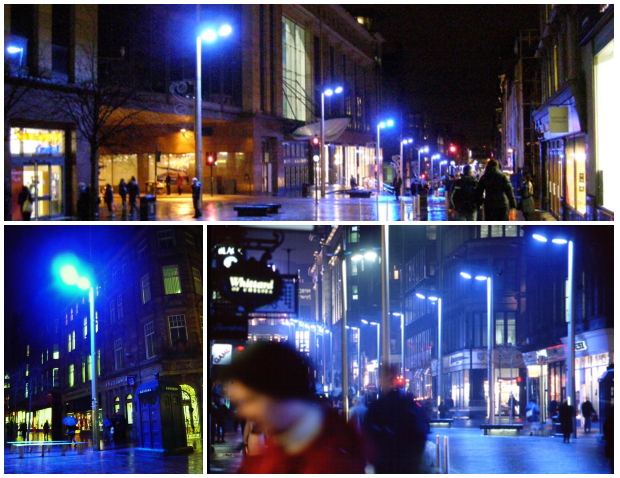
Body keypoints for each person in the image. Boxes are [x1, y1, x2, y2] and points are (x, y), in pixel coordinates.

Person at [225, 341, 366, 474]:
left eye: (250, 400)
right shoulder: (284, 446)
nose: (243, 412)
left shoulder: (333, 462)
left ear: (278, 393)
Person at [364, 389, 429, 473]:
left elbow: (369, 436)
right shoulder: (410, 408)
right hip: (407, 462)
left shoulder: (377, 408)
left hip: (385, 463)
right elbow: (420, 437)